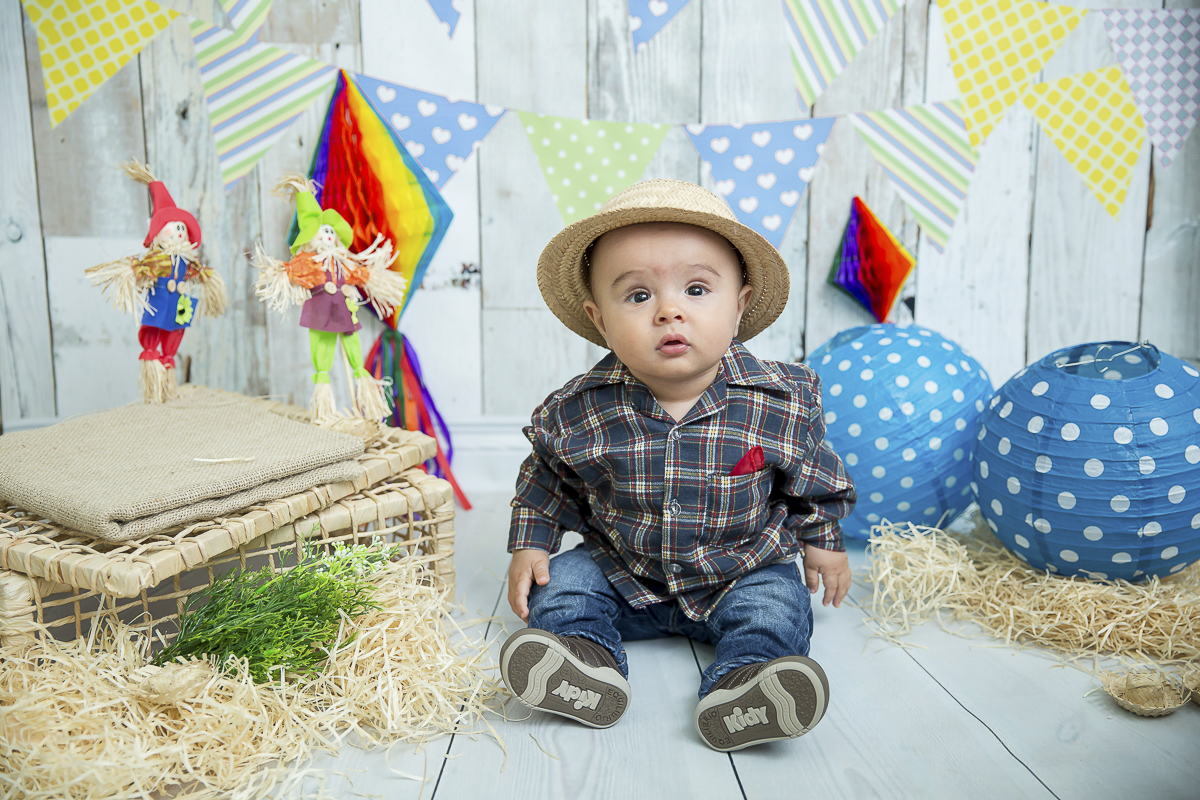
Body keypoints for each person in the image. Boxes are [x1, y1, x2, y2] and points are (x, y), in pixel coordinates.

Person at [499, 179, 856, 752]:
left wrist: (823, 542)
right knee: (562, 587)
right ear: (600, 319)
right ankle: (582, 662)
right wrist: (531, 544)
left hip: (739, 569)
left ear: (738, 305)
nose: (669, 310)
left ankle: (748, 683)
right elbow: (547, 479)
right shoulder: (580, 410)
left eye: (696, 289)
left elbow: (813, 479)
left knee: (777, 606)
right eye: (638, 296)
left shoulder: (779, 400)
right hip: (624, 568)